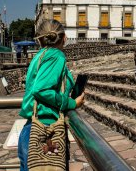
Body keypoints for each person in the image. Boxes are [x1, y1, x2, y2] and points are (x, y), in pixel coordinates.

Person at [18, 20, 85, 171]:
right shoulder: (56, 56)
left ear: (40, 39)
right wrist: (72, 103)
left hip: (31, 131)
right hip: (46, 132)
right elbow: (41, 90)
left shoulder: (39, 56)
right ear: (64, 37)